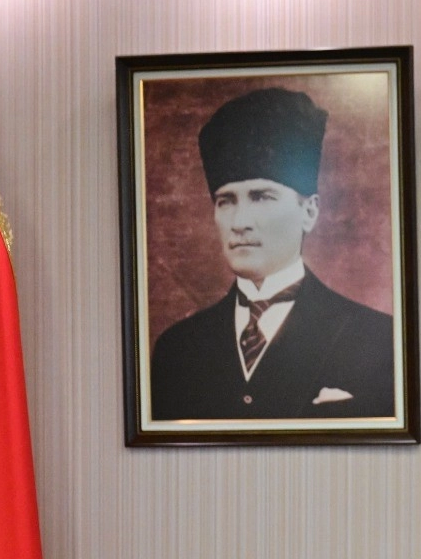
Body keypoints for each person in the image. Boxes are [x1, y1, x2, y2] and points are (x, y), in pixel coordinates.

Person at [150, 86, 395, 421]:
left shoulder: (377, 339)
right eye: (226, 201)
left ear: (309, 211)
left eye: (262, 197)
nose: (240, 222)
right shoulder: (177, 349)